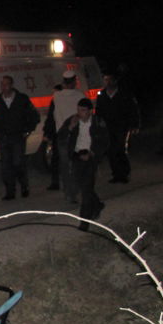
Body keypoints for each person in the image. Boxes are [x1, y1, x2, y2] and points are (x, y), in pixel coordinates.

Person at [58, 97, 109, 231]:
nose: (80, 113)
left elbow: (104, 141)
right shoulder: (73, 120)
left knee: (86, 191)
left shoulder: (98, 122)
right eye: (78, 110)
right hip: (76, 157)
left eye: (83, 110)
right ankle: (97, 204)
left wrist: (92, 153)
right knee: (82, 186)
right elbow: (60, 136)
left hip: (90, 157)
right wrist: (70, 128)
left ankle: (84, 221)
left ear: (90, 111)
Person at [0, 75, 40, 200]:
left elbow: (34, 116)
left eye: (6, 84)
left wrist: (28, 130)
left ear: (11, 85)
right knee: (6, 165)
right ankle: (10, 191)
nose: (4, 87)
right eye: (2, 85)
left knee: (18, 163)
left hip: (18, 137)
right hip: (4, 138)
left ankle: (24, 186)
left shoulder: (21, 99)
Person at [42, 69, 86, 199]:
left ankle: (69, 192)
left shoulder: (56, 97)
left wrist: (47, 133)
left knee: (65, 164)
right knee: (77, 163)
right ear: (74, 82)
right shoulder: (80, 96)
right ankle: (77, 188)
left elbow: (51, 116)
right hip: (77, 135)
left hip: (62, 136)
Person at [95, 70, 140, 183]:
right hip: (108, 127)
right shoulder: (102, 95)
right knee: (110, 151)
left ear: (115, 81)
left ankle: (124, 173)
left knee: (120, 149)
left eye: (110, 79)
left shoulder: (124, 94)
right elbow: (99, 111)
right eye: (105, 80)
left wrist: (134, 124)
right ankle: (116, 174)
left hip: (122, 126)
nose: (107, 82)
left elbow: (133, 110)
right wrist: (98, 123)